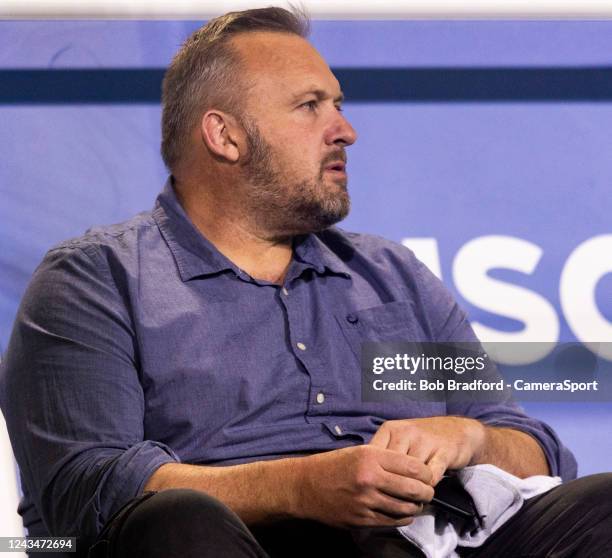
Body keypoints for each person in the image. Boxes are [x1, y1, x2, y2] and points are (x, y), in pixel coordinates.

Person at [1, 7, 610, 558]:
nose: (345, 130)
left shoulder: (393, 277)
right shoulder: (96, 280)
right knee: (178, 524)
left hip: (429, 544)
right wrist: (302, 487)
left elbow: (537, 452)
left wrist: (471, 437)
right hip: (240, 544)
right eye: (310, 106)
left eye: (338, 104)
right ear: (225, 135)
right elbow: (87, 490)